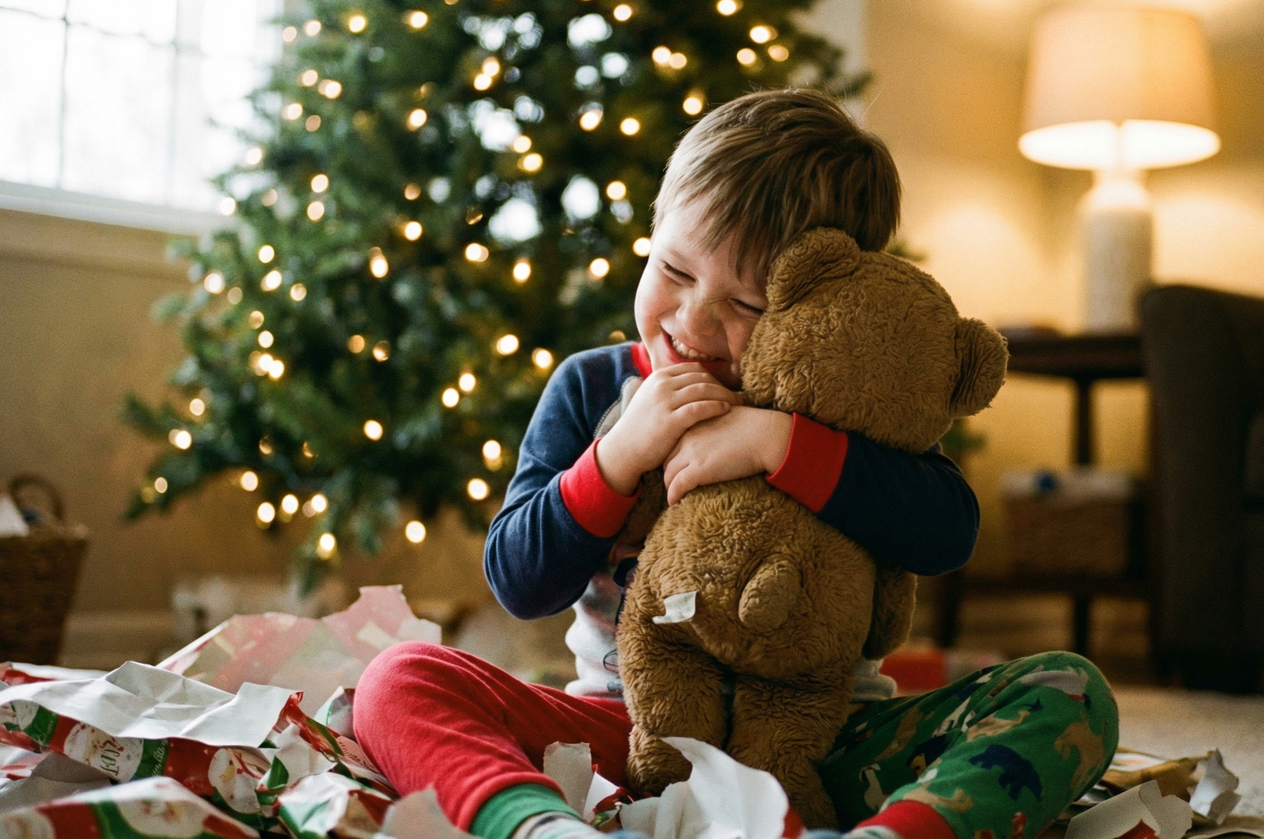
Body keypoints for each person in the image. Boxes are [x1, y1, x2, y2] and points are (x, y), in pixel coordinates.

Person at [354, 89, 1118, 839]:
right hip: (623, 737)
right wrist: (616, 458)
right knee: (398, 680)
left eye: (747, 305)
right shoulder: (592, 386)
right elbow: (519, 581)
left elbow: (947, 532)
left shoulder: (844, 399)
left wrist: (783, 445)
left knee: (1070, 691)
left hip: (831, 748)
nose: (692, 321)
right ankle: (541, 827)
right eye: (675, 271)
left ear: (824, 294)